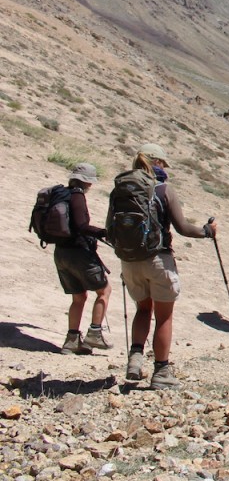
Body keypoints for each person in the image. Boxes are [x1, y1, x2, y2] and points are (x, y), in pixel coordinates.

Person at [118, 144, 215, 390]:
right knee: (164, 316)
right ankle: (161, 371)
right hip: (158, 259)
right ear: (158, 163)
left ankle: (135, 359)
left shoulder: (122, 188)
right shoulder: (163, 190)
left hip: (129, 260)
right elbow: (182, 228)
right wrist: (206, 231)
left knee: (142, 310)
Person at [55, 163, 112, 354]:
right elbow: (81, 226)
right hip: (79, 252)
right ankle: (94, 333)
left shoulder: (62, 194)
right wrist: (103, 232)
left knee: (78, 297)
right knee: (104, 290)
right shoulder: (77, 197)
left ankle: (71, 341)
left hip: (61, 252)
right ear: (88, 182)